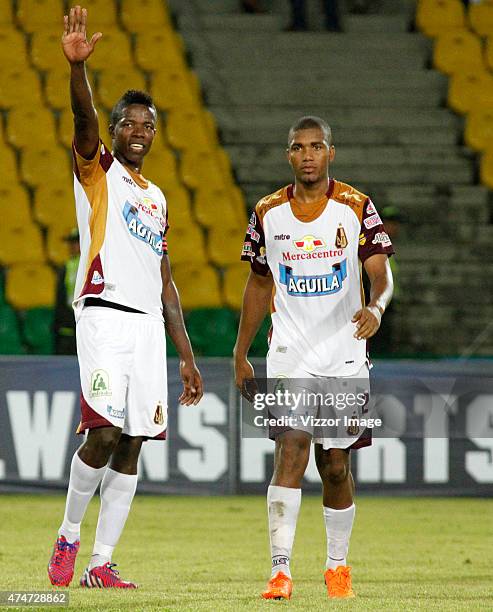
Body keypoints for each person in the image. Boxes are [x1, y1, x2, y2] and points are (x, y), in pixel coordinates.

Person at [47, 5, 203, 589]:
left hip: (148, 329)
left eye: (148, 125)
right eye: (129, 123)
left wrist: (185, 355)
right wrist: (77, 71)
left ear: (156, 135)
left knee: (135, 442)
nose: (139, 132)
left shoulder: (159, 197)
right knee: (104, 433)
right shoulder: (98, 171)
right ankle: (68, 535)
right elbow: (81, 118)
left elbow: (166, 279)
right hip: (104, 318)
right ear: (114, 131)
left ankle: (101, 562)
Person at [234, 116, 394, 600]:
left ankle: (337, 566)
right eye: (299, 147)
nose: (307, 154)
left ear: (331, 153)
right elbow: (259, 284)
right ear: (288, 155)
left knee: (336, 465)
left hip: (345, 353)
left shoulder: (356, 206)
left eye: (316, 146)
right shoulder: (267, 212)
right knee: (292, 450)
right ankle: (280, 571)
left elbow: (381, 274)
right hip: (290, 353)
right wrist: (241, 352)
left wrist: (376, 307)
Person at [54, 228, 80, 355]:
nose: (72, 246)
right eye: (71, 243)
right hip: (69, 315)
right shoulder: (66, 265)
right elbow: (61, 295)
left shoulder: (90, 263)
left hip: (83, 314)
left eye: (75, 242)